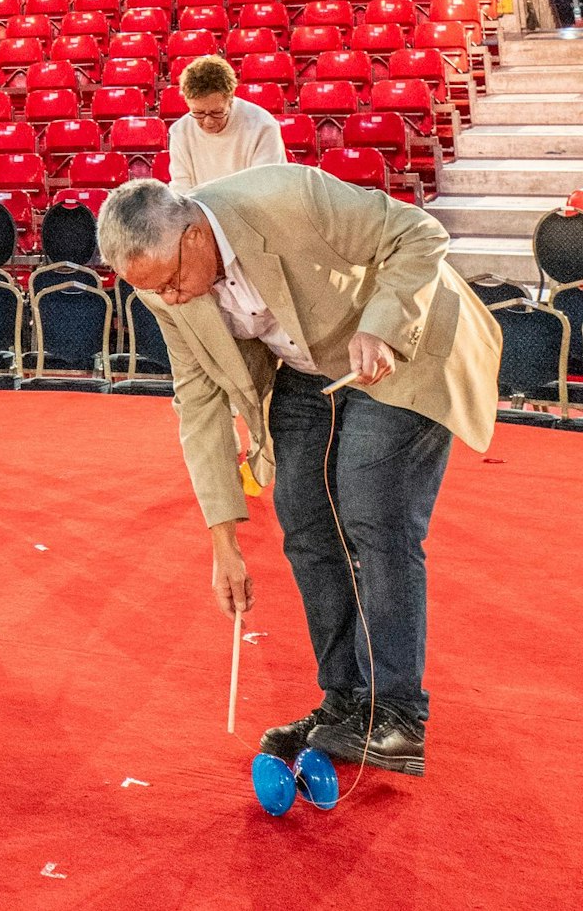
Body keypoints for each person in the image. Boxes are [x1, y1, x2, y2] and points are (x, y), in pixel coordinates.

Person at [98, 169, 500, 777]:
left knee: (372, 510)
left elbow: (419, 233)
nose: (172, 300)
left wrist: (381, 325)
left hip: (401, 347)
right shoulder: (163, 283)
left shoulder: (290, 198)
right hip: (308, 371)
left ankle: (395, 713)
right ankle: (343, 703)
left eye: (175, 283)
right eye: (157, 293)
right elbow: (199, 402)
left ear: (193, 235)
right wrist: (223, 541)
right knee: (304, 518)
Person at [167, 55, 285, 193]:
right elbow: (181, 188)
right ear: (187, 103)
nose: (208, 121)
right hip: (202, 211)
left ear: (230, 99)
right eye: (198, 113)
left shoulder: (263, 126)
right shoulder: (180, 132)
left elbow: (264, 187)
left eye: (217, 112)